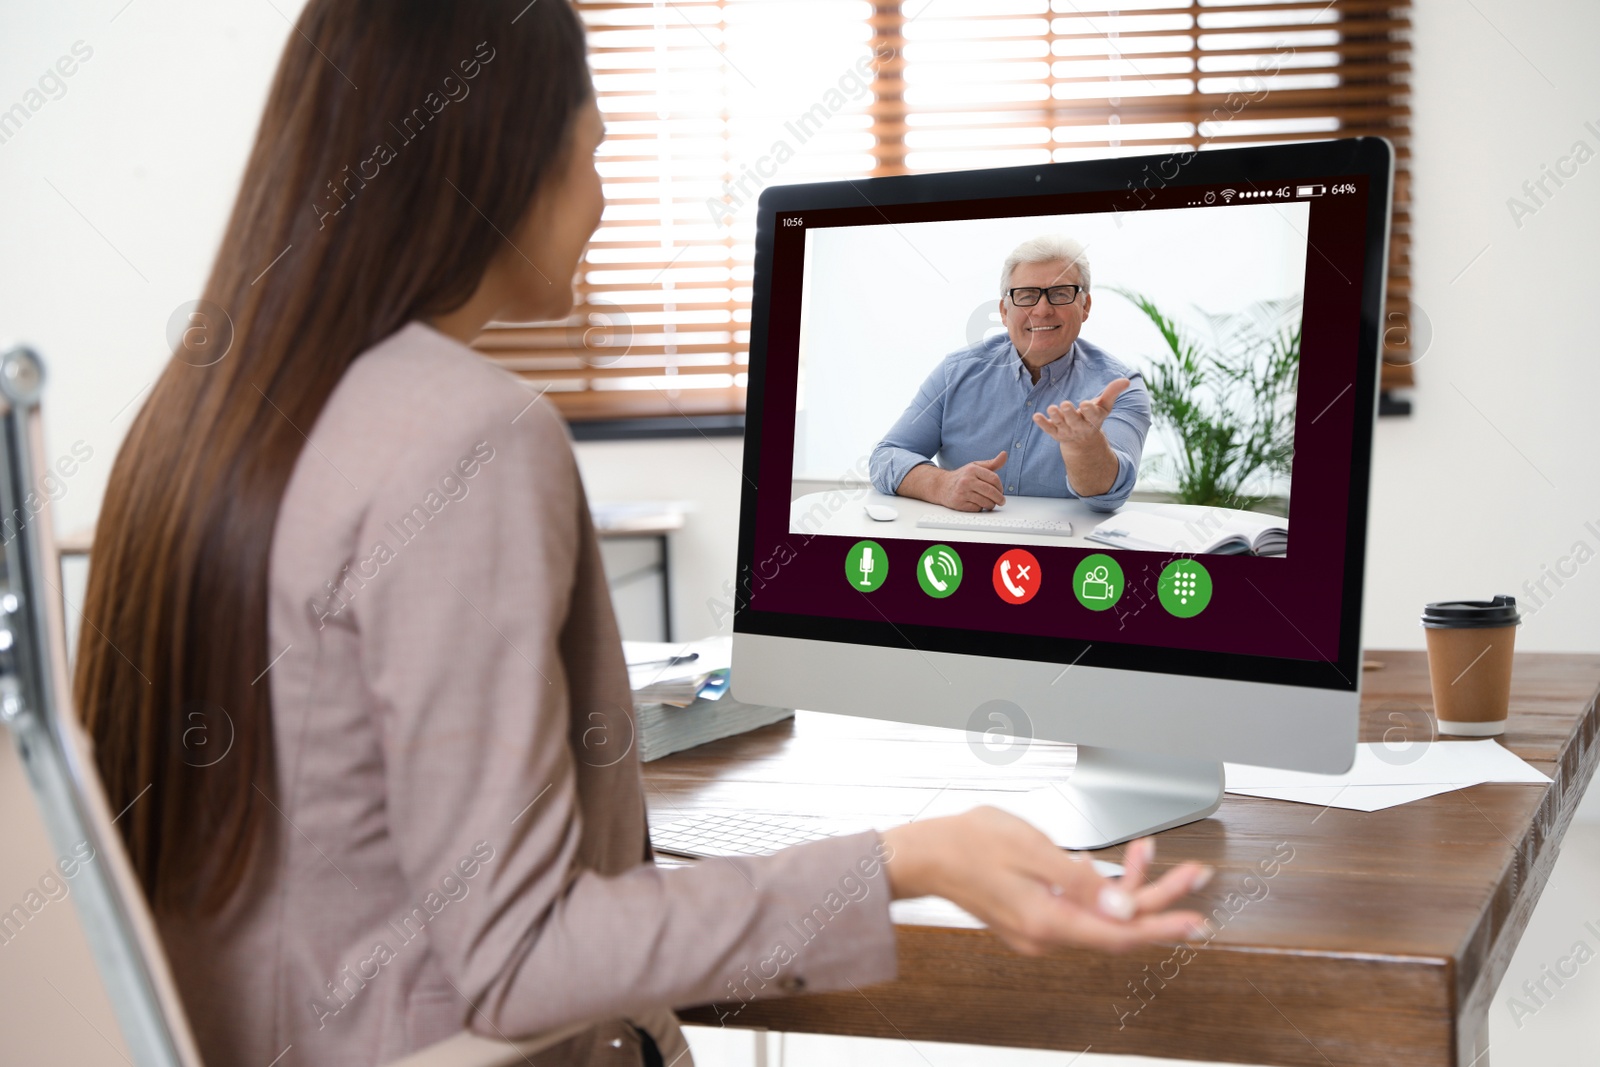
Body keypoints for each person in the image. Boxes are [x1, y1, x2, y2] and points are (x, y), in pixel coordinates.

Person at [72, 5, 1212, 1066]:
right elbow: (519, 957)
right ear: (502, 156)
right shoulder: (463, 433)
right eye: (597, 150)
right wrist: (915, 855)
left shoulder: (193, 415)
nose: (604, 196)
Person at [869, 235, 1152, 513]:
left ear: (1085, 306)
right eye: (1027, 295)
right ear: (1005, 311)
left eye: (1060, 293)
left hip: (1066, 553)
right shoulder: (954, 373)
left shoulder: (1120, 387)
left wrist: (1085, 448)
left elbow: (1110, 496)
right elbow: (886, 457)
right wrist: (941, 484)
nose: (1042, 310)